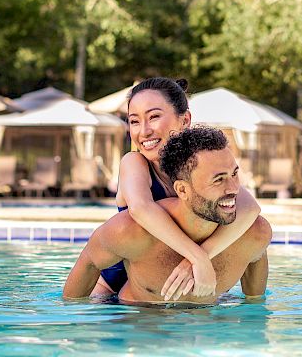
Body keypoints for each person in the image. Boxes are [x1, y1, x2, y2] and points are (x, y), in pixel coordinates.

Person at [64, 125, 271, 305]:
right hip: (138, 325)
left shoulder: (254, 235)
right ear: (182, 190)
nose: (234, 189)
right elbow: (89, 263)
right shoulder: (131, 232)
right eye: (218, 180)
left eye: (234, 174)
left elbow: (255, 306)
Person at [95, 77, 260, 301]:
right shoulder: (134, 163)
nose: (144, 131)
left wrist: (201, 257)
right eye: (134, 121)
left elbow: (250, 208)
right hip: (116, 291)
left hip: (176, 281)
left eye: (154, 117)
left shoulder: (198, 166)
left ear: (185, 120)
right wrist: (198, 259)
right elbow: (141, 208)